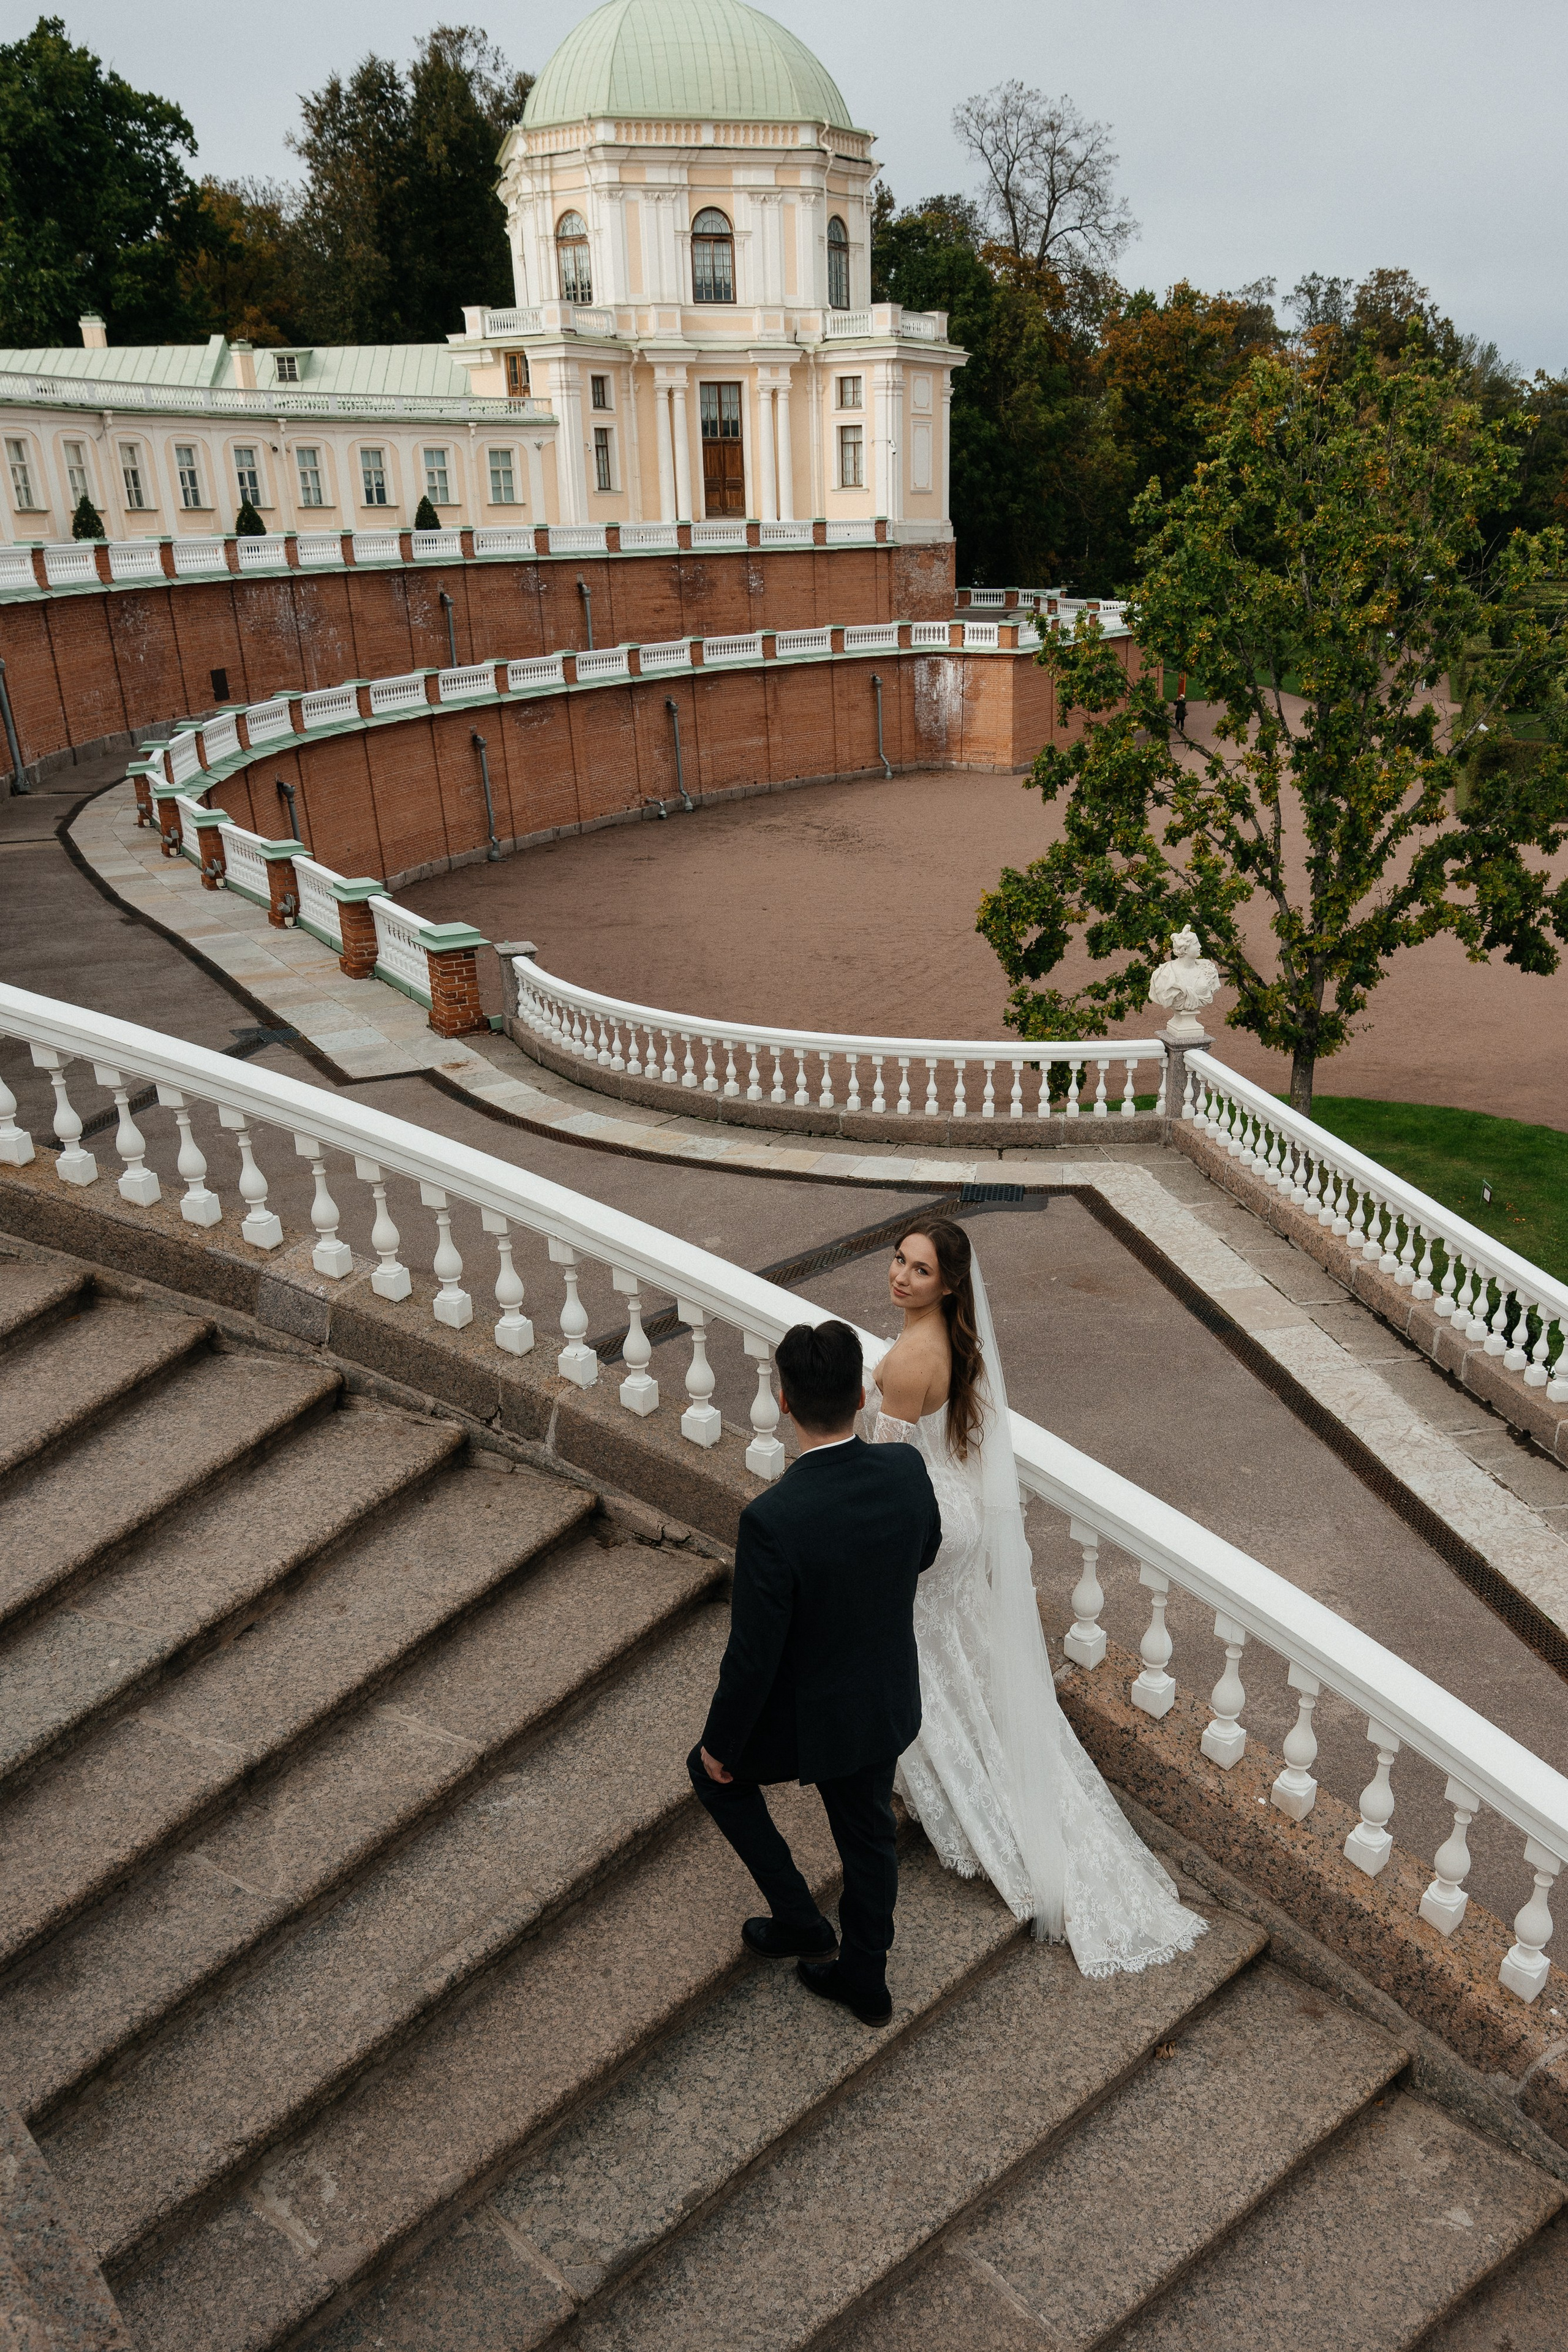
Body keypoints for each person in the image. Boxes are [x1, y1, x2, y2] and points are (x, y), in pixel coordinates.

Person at [866, 1219, 1208, 1979]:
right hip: (956, 1510)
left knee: (921, 1642)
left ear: (947, 1285)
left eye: (919, 1270)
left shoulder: (907, 1362)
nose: (900, 1276)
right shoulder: (952, 1345)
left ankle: (958, 1783)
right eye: (898, 1260)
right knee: (957, 1648)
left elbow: (879, 1474)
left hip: (927, 1516)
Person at [690, 1318, 943, 2027]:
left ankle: (800, 1919)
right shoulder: (904, 1469)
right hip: (883, 1698)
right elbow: (924, 1552)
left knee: (708, 1775)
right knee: (867, 1837)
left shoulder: (774, 1518)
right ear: (861, 1394)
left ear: (783, 1401)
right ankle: (866, 1979)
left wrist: (720, 1746)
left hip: (815, 1713)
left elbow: (753, 1656)